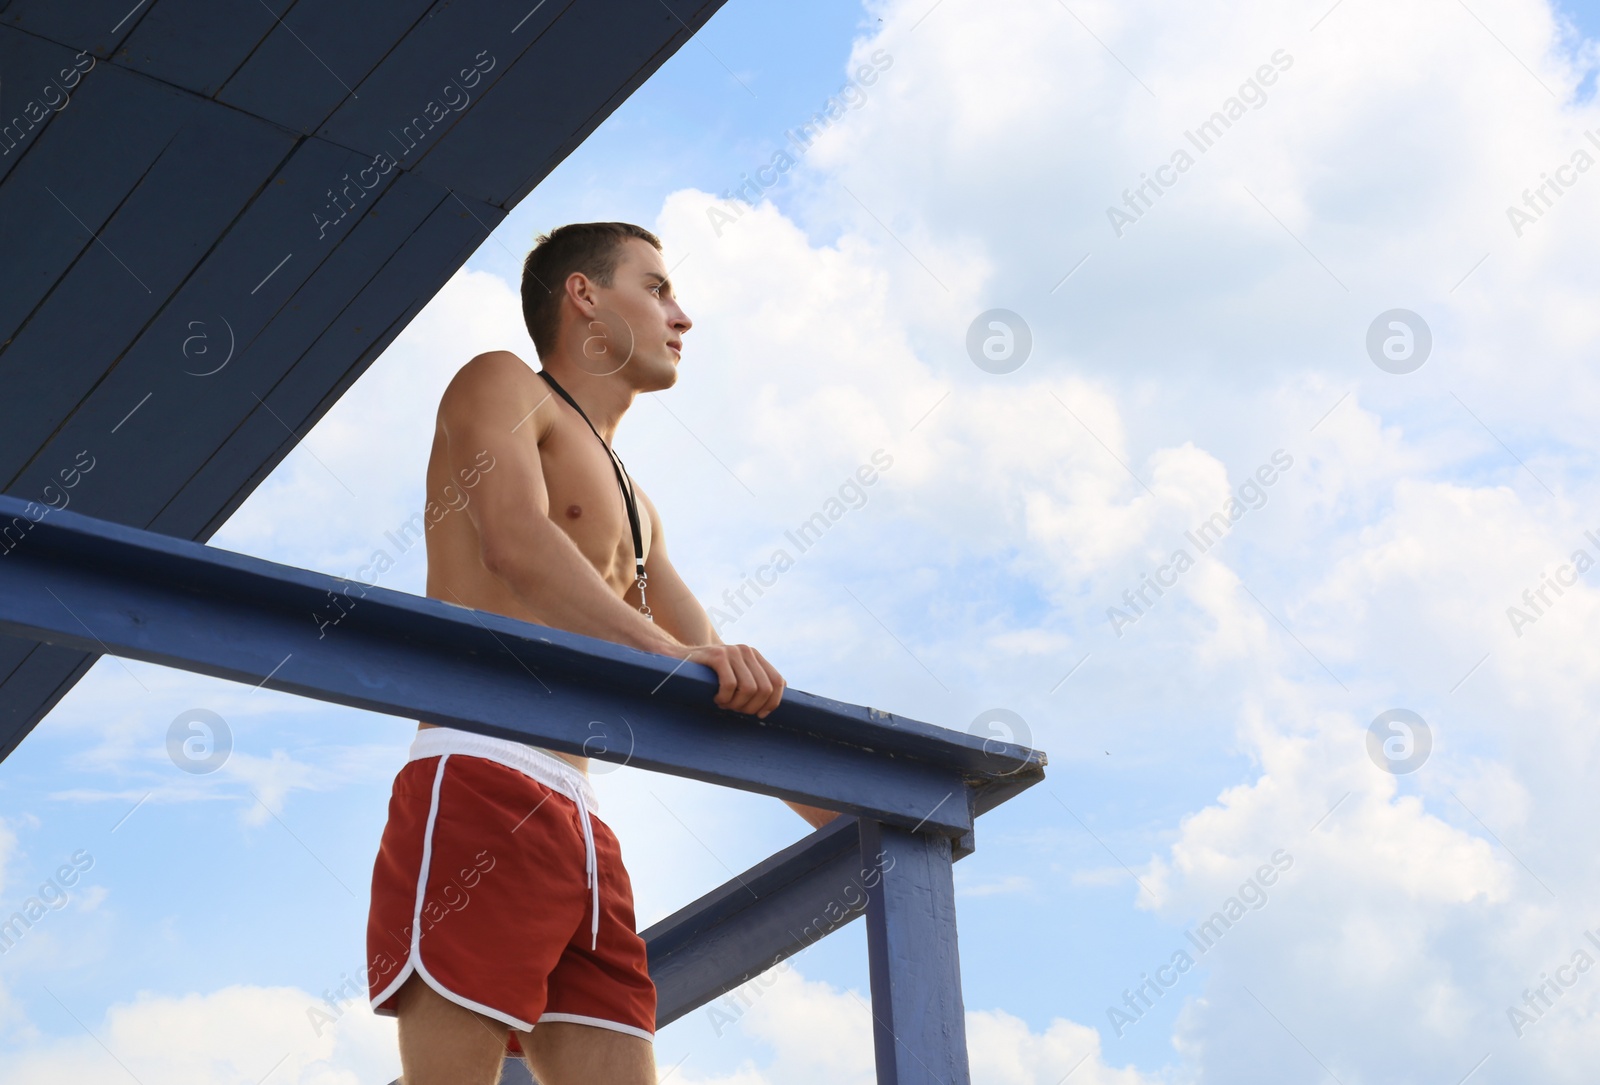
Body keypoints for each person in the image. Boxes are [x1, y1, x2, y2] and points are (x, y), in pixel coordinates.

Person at [364, 222, 838, 1085]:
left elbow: (709, 671)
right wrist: (675, 654)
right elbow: (514, 539)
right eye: (656, 288)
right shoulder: (504, 382)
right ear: (584, 295)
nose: (681, 315)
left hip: (583, 821)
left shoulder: (639, 507)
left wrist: (862, 817)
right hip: (482, 771)